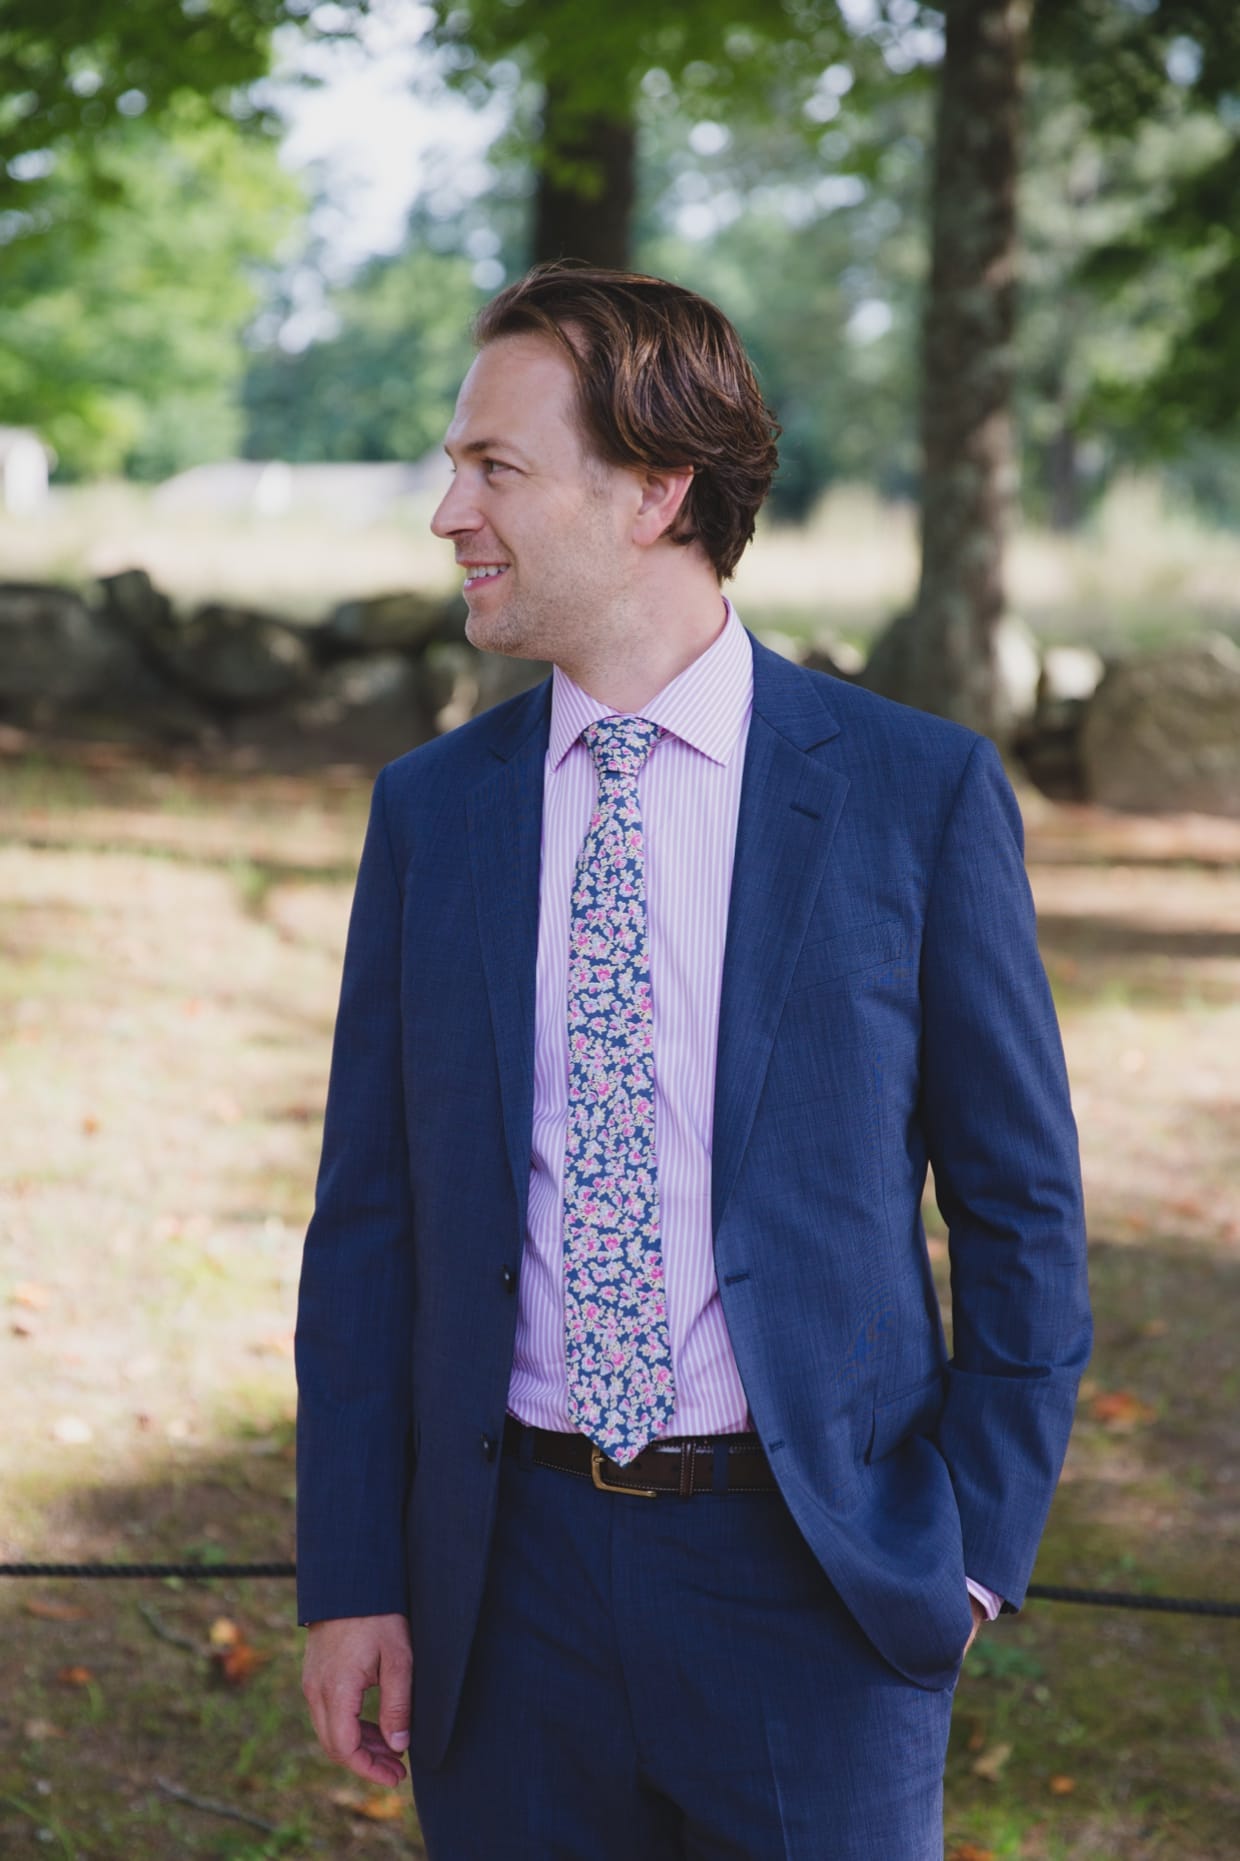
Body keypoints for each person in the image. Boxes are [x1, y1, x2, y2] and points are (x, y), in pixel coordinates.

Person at [295, 263, 1091, 1859]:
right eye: (458, 466)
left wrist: (971, 1543)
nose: (449, 511)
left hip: (817, 1588)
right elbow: (369, 1227)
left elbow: (1023, 1207)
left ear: (658, 489)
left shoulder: (912, 795)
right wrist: (357, 1576)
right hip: (502, 1597)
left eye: (495, 467)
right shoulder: (432, 815)